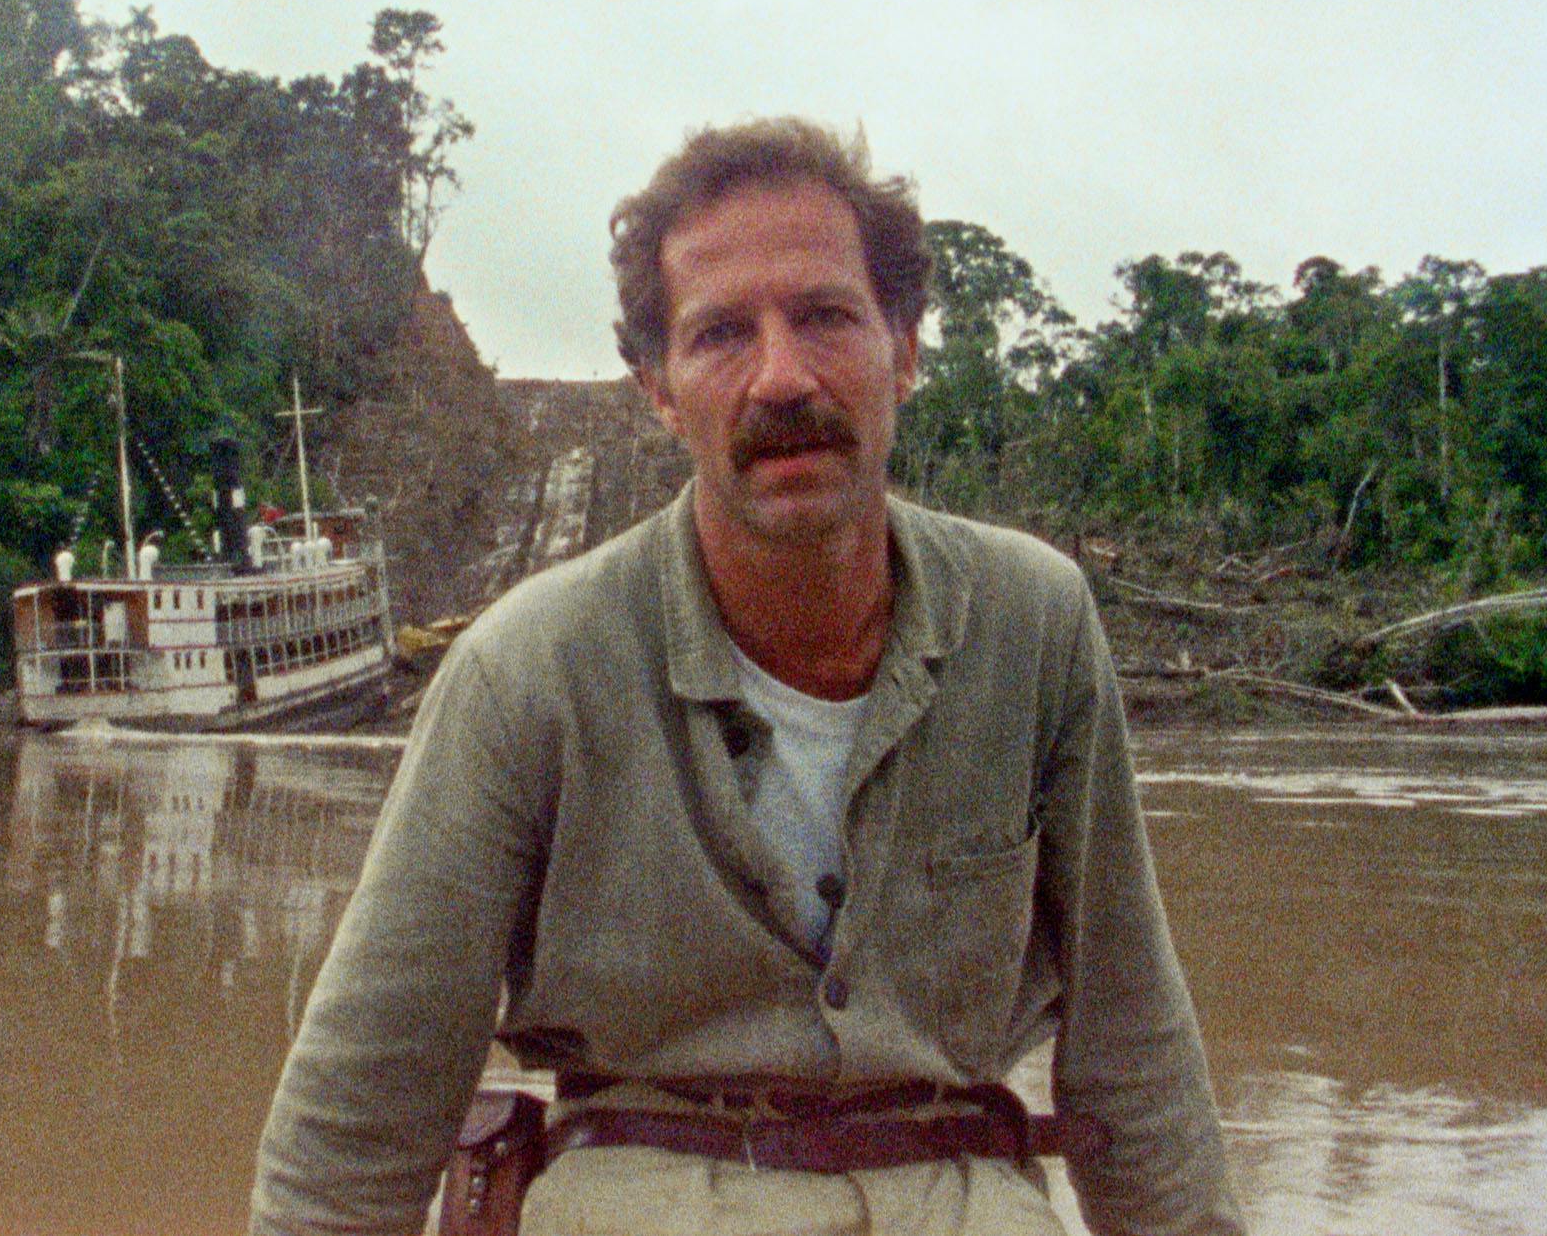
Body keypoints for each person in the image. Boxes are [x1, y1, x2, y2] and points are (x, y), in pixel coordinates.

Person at [252, 118, 1245, 1236]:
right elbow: (367, 1094)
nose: (781, 376)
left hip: (962, 1197)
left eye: (824, 316)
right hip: (641, 1194)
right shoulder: (528, 668)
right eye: (722, 333)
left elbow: (1133, 1044)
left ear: (903, 348)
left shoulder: (1033, 623)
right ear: (658, 390)